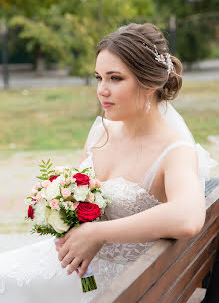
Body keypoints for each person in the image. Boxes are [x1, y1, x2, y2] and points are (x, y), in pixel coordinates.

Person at [0, 23, 217, 303]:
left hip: (119, 284)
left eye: (115, 78)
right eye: (99, 77)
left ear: (149, 82)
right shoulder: (100, 130)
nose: (102, 90)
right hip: (79, 268)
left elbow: (187, 218)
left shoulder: (175, 151)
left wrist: (97, 232)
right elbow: (78, 196)